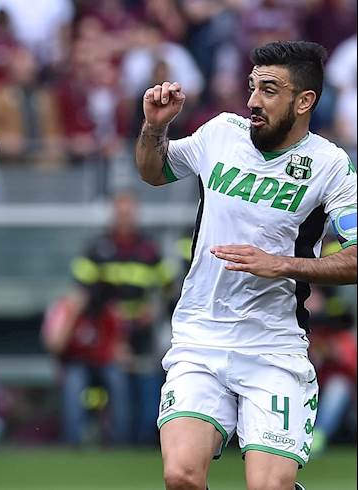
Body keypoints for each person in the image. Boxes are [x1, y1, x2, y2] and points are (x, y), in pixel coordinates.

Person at [134, 40, 357, 490]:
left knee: (268, 487)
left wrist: (282, 264)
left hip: (273, 347)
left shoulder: (330, 165)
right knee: (180, 476)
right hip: (200, 336)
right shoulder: (220, 133)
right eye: (252, 87)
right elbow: (153, 172)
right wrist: (155, 128)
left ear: (304, 101)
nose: (253, 101)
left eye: (269, 90)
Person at [45, 191, 174, 446]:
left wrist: (154, 309)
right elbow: (80, 294)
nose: (125, 218)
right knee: (112, 382)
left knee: (147, 389)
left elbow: (170, 290)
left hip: (141, 335)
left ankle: (136, 443)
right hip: (103, 336)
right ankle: (88, 443)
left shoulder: (149, 250)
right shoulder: (97, 249)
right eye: (120, 213)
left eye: (129, 212)